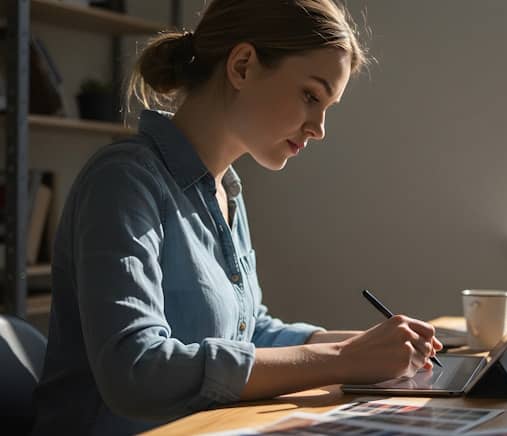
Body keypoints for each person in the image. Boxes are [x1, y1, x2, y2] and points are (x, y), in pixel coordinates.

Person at [32, 1, 442, 434]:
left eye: (328, 106)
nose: (319, 127)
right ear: (243, 66)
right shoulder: (123, 181)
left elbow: (248, 333)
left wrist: (361, 346)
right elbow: (137, 371)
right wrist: (342, 361)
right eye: (311, 95)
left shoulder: (225, 191)